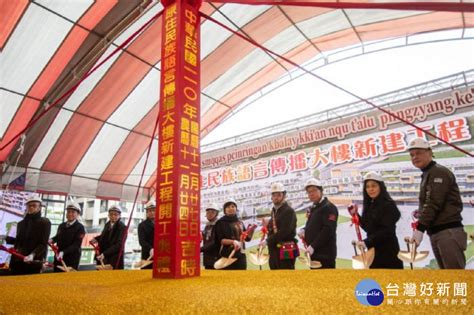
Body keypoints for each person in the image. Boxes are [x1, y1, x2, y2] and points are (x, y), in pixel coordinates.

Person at [408, 138, 467, 269]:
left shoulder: (438, 172)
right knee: (448, 279)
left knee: (455, 279)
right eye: (412, 155)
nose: (415, 157)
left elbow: (434, 202)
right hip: (438, 232)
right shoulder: (428, 173)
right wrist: (421, 213)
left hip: (447, 231)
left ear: (429, 152)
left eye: (418, 153)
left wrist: (420, 228)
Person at [350, 171, 403, 269]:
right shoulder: (370, 205)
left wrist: (367, 241)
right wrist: (356, 215)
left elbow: (387, 231)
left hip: (388, 252)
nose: (370, 189)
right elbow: (368, 228)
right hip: (373, 252)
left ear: (380, 187)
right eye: (368, 187)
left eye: (374, 186)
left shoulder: (389, 205)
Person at [5, 195, 51, 275]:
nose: (31, 207)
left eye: (34, 205)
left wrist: (32, 254)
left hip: (32, 263)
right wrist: (7, 237)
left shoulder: (44, 222)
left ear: (40, 207)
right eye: (29, 205)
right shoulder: (20, 224)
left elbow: (43, 244)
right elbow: (16, 242)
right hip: (17, 262)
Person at [298, 178, 338, 269]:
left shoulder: (329, 207)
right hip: (314, 253)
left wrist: (313, 246)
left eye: (314, 190)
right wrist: (304, 230)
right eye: (309, 192)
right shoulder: (314, 207)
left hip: (325, 255)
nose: (311, 194)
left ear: (321, 190)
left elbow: (328, 230)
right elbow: (314, 225)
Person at [260, 182, 297, 270]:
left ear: (284, 196)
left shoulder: (289, 211)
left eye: (279, 195)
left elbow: (285, 232)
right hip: (274, 249)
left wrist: (267, 241)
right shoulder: (274, 211)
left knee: (286, 275)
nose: (276, 197)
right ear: (271, 197)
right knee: (274, 275)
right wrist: (268, 224)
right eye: (274, 195)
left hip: (286, 247)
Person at [214, 199, 254, 270]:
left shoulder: (240, 222)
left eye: (233, 206)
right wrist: (233, 242)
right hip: (227, 255)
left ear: (236, 208)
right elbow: (221, 240)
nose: (231, 208)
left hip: (241, 255)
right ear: (224, 210)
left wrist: (252, 229)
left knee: (242, 277)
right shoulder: (220, 223)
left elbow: (247, 239)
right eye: (228, 207)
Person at [50, 201, 86, 271]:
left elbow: (76, 245)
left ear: (78, 214)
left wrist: (63, 252)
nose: (70, 214)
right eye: (68, 212)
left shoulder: (80, 228)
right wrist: (51, 240)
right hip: (58, 258)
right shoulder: (61, 226)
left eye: (73, 212)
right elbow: (57, 237)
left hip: (71, 260)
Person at [91, 205, 127, 269]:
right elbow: (104, 236)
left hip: (114, 258)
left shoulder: (122, 227)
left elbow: (119, 245)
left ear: (119, 216)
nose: (113, 216)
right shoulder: (107, 224)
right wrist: (96, 239)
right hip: (104, 257)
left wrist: (105, 254)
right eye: (111, 214)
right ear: (108, 215)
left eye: (115, 214)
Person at [200, 203, 220, 269]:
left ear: (217, 214)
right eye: (208, 212)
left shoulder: (218, 225)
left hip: (216, 258)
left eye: (212, 212)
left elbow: (215, 242)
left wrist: (200, 249)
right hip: (207, 258)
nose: (210, 214)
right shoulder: (207, 225)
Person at [138, 201, 155, 269]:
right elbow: (142, 241)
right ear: (147, 212)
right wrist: (150, 249)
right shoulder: (142, 225)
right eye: (150, 211)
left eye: (154, 210)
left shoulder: (162, 223)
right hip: (147, 255)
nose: (152, 212)